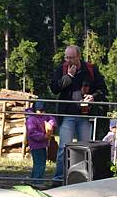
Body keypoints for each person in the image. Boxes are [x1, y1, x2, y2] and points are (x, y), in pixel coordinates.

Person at [49, 44, 108, 183]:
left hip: (85, 116)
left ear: (79, 57)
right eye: (66, 57)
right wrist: (69, 76)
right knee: (63, 148)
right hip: (67, 115)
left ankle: (86, 179)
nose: (68, 60)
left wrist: (93, 96)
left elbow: (102, 89)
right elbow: (54, 88)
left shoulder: (91, 69)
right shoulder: (62, 69)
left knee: (86, 148)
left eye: (71, 57)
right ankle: (58, 179)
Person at [26, 100, 57, 182]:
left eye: (44, 110)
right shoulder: (31, 119)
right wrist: (43, 136)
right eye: (40, 110)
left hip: (43, 144)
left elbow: (52, 118)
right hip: (35, 145)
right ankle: (37, 181)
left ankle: (34, 180)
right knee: (39, 164)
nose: (42, 112)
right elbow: (31, 133)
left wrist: (51, 124)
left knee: (40, 163)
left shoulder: (44, 116)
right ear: (35, 109)